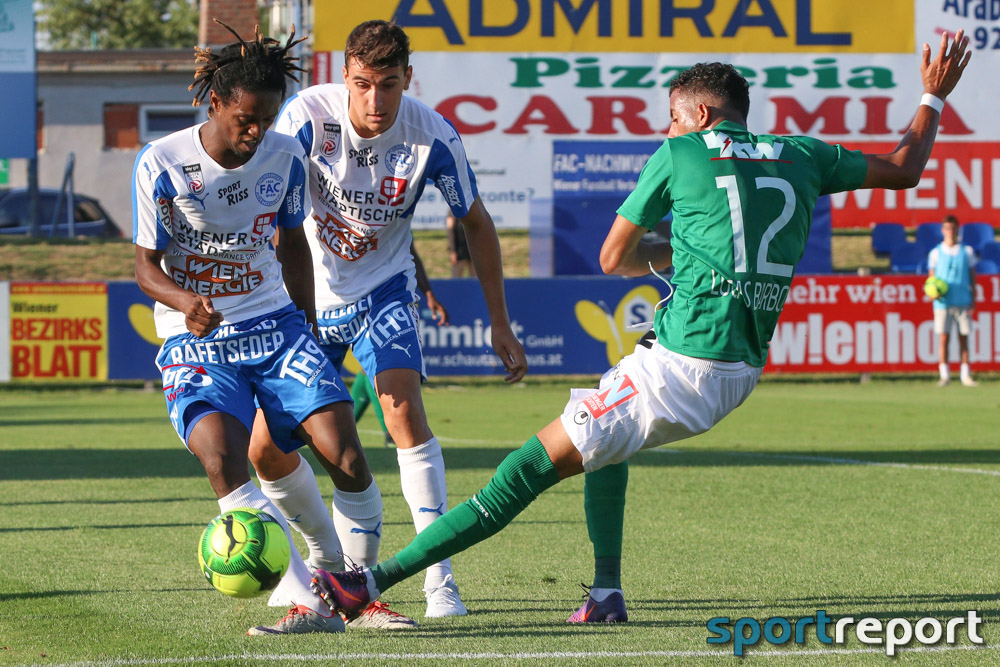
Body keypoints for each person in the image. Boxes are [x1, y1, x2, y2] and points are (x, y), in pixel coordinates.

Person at [309, 31, 971, 624]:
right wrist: (933, 97)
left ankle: (367, 581)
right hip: (738, 368)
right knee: (604, 432)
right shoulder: (803, 153)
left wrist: (668, 255)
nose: (669, 128)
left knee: (519, 472)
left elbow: (611, 257)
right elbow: (906, 167)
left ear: (702, 116)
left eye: (674, 117)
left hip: (684, 367)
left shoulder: (681, 154)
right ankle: (604, 592)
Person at [250, 19, 527, 621]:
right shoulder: (304, 119)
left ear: (409, 79)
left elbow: (476, 223)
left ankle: (439, 582)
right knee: (267, 453)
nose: (376, 100)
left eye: (390, 85)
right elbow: (259, 195)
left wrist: (499, 321)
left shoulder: (434, 136)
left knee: (402, 411)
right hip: (306, 303)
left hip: (385, 290)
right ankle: (323, 574)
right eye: (363, 84)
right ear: (344, 78)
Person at [132, 22, 383, 635]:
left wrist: (307, 323)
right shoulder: (162, 163)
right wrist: (186, 299)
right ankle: (307, 599)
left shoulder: (284, 155)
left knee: (346, 454)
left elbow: (293, 241)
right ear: (215, 102)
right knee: (223, 460)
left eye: (267, 119)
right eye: (246, 118)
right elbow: (143, 268)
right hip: (196, 340)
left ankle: (354, 588)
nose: (256, 131)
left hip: (275, 326)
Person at [352, 240, 449, 447]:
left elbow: (409, 248)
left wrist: (429, 293)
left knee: (374, 366)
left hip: (387, 296)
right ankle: (381, 430)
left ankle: (370, 429)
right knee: (371, 367)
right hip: (342, 296)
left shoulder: (396, 213)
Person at [928, 214, 978, 387]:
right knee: (944, 339)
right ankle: (944, 375)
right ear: (943, 230)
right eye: (947, 228)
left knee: (963, 338)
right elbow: (931, 280)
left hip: (963, 300)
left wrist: (974, 299)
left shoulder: (967, 251)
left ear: (958, 229)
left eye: (953, 227)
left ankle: (965, 375)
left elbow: (972, 278)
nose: (950, 231)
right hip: (943, 303)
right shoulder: (935, 253)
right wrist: (932, 293)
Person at [446, 212, 475, 277]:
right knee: (456, 277)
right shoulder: (452, 211)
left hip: (472, 246)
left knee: (474, 278)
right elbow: (450, 231)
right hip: (459, 247)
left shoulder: (474, 207)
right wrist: (452, 250)